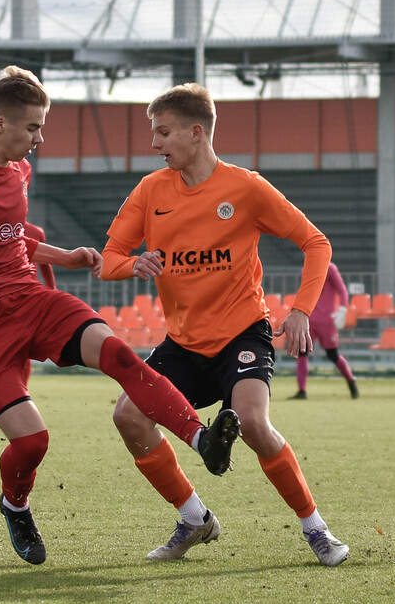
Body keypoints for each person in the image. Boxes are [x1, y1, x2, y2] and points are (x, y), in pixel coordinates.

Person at [0, 66, 240, 566]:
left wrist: (63, 257)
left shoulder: (19, 170)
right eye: (34, 127)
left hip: (27, 299)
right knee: (32, 440)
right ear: (0, 124)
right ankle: (14, 504)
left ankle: (201, 438)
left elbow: (12, 235)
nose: (40, 138)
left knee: (118, 353)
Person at [100, 82, 350, 567]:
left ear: (196, 133)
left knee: (254, 423)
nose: (155, 144)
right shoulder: (150, 190)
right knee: (128, 414)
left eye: (163, 132)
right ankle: (194, 518)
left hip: (242, 333)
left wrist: (300, 310)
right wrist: (135, 264)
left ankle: (315, 528)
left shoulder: (246, 187)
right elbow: (108, 258)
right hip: (183, 343)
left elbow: (316, 242)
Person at [290, 261, 359, 400]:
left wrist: (343, 309)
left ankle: (351, 381)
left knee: (332, 354)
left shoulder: (330, 268)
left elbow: (342, 290)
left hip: (327, 321)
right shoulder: (306, 269)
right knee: (302, 352)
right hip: (310, 319)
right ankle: (302, 390)